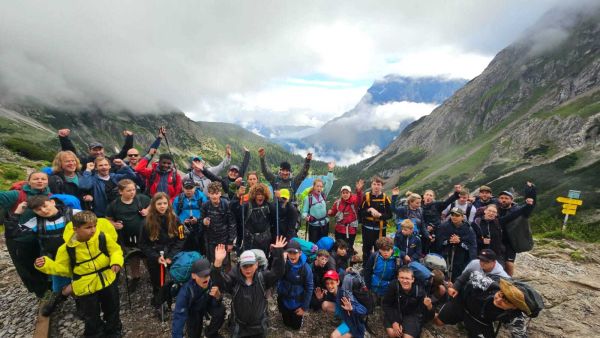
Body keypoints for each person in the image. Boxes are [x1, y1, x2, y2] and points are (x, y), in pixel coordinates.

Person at [35, 211, 124, 338]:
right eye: (88, 227)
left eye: (94, 226)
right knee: (91, 314)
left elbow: (115, 250)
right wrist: (46, 265)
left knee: (112, 309)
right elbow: (63, 269)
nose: (93, 230)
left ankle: (114, 331)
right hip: (84, 286)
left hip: (107, 280)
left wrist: (116, 261)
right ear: (75, 229)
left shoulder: (102, 237)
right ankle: (96, 333)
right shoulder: (66, 249)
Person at [211, 237, 287, 338]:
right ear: (240, 266)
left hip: (259, 326)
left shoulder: (263, 278)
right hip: (239, 326)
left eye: (251, 265)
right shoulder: (234, 280)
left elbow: (278, 272)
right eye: (245, 266)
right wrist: (217, 263)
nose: (248, 269)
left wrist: (278, 252)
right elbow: (220, 282)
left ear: (256, 265)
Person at [435, 272, 540, 338]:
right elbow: (468, 273)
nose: (498, 300)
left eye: (505, 301)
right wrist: (456, 287)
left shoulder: (514, 316)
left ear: (514, 307)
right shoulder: (488, 284)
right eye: (499, 294)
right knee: (438, 322)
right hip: (461, 304)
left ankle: (467, 325)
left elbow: (520, 335)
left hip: (480, 321)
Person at [25, 195, 80, 316]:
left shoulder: (74, 213)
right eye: (38, 210)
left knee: (80, 279)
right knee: (59, 287)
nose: (43, 211)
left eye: (45, 206)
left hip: (78, 255)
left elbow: (93, 225)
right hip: (55, 261)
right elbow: (13, 233)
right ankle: (61, 297)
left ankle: (79, 303)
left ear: (52, 202)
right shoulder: (35, 222)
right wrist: (19, 211)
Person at [1, 171, 52, 298]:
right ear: (28, 182)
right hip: (20, 239)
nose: (40, 181)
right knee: (28, 268)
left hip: (41, 239)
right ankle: (41, 294)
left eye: (43, 179)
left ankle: (50, 291)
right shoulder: (17, 194)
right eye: (36, 179)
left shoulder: (50, 195)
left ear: (47, 182)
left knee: (43, 265)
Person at [139, 192, 186, 310]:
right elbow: (143, 244)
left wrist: (171, 256)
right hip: (155, 255)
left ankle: (174, 298)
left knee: (176, 278)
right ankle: (159, 302)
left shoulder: (176, 219)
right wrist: (155, 257)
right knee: (157, 281)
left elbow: (181, 238)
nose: (162, 206)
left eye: (165, 203)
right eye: (159, 203)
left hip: (172, 253)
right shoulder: (146, 222)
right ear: (153, 205)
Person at [105, 179, 150, 289]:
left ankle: (151, 275)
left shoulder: (141, 199)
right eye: (129, 190)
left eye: (134, 189)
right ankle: (136, 277)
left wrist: (147, 210)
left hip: (143, 235)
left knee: (146, 256)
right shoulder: (114, 205)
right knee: (133, 257)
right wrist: (114, 224)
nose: (132, 192)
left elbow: (152, 203)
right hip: (126, 236)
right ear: (121, 192)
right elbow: (107, 219)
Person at [171, 258, 225, 338]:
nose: (206, 278)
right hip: (193, 311)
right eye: (202, 275)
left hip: (206, 303)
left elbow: (215, 303)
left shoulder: (211, 281)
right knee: (195, 333)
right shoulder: (185, 292)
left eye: (207, 275)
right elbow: (179, 318)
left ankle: (210, 334)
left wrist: (218, 297)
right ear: (193, 276)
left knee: (221, 310)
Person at [496, 183, 536, 276]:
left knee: (509, 264)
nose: (503, 200)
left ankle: (509, 282)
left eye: (506, 198)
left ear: (512, 200)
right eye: (502, 198)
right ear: (498, 199)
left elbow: (530, 207)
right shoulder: (494, 209)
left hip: (511, 241)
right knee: (496, 263)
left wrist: (532, 192)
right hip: (497, 240)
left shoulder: (517, 209)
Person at [383, 267, 434, 338]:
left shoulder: (419, 291)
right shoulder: (394, 285)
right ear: (398, 278)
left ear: (413, 279)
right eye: (401, 278)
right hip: (395, 311)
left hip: (411, 315)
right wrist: (394, 321)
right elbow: (386, 304)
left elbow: (429, 316)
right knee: (393, 334)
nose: (404, 281)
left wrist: (429, 306)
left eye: (407, 278)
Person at [277, 240, 314, 330]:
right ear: (286, 253)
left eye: (295, 253)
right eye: (290, 252)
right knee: (286, 323)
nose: (292, 256)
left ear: (300, 253)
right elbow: (275, 274)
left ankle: (299, 319)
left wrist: (304, 308)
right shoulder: (283, 263)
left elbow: (309, 288)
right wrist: (280, 259)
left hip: (297, 302)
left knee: (295, 327)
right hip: (284, 298)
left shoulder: (306, 268)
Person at [57, 128, 134, 169]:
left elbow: (125, 152)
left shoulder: (111, 160)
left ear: (103, 150)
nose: (98, 152)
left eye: (100, 149)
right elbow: (71, 153)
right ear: (89, 151)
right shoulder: (84, 161)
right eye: (95, 150)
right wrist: (63, 138)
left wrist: (130, 137)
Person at [436, 207, 477, 282]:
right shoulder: (443, 227)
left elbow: (472, 247)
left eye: (457, 215)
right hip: (445, 258)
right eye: (452, 215)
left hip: (461, 260)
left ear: (462, 217)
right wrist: (449, 241)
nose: (454, 217)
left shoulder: (468, 229)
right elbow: (438, 243)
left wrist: (460, 242)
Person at [359, 176, 392, 267]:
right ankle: (366, 267)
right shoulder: (366, 197)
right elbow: (361, 213)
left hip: (381, 229)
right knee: (366, 249)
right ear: (371, 185)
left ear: (382, 186)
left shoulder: (385, 198)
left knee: (380, 249)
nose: (376, 186)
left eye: (378, 184)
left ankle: (378, 267)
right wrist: (369, 210)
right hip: (367, 228)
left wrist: (380, 216)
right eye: (374, 184)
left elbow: (390, 215)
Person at [201, 182, 237, 263]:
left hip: (224, 239)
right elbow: (201, 221)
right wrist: (204, 222)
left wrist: (230, 242)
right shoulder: (205, 205)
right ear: (208, 194)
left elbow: (232, 224)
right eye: (212, 193)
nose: (214, 196)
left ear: (220, 193)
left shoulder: (226, 204)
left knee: (224, 263)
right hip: (210, 240)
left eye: (216, 193)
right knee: (212, 263)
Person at [420, 185, 461, 254]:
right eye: (427, 195)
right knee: (423, 250)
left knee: (437, 249)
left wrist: (456, 193)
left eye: (431, 195)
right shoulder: (419, 207)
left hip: (437, 231)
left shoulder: (437, 205)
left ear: (433, 198)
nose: (428, 197)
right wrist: (426, 227)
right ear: (423, 197)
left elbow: (446, 202)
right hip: (424, 231)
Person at [328, 180, 363, 257]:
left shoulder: (354, 202)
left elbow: (360, 199)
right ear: (341, 194)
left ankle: (347, 263)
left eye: (347, 193)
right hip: (339, 229)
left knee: (349, 247)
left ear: (350, 193)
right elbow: (333, 212)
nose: (345, 194)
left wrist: (359, 190)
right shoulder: (337, 203)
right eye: (343, 193)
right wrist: (330, 213)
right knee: (339, 247)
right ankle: (338, 261)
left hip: (350, 230)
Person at [302, 162, 335, 243]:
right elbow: (304, 212)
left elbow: (330, 183)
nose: (319, 188)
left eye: (321, 186)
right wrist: (306, 217)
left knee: (324, 244)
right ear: (314, 187)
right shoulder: (308, 198)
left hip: (325, 224)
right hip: (314, 226)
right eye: (317, 186)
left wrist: (330, 170)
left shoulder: (323, 195)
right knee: (314, 245)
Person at [239, 183, 276, 254]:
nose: (260, 196)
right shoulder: (246, 206)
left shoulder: (270, 207)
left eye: (262, 194)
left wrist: (273, 242)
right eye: (258, 194)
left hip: (265, 241)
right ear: (254, 195)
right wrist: (237, 196)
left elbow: (274, 224)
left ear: (265, 196)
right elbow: (233, 210)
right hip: (249, 240)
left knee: (263, 262)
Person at [173, 178, 208, 252]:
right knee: (181, 244)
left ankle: (200, 258)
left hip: (198, 226)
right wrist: (182, 221)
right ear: (183, 188)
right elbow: (173, 215)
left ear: (195, 187)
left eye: (191, 188)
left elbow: (206, 213)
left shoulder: (202, 198)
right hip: (181, 226)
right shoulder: (178, 199)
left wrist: (197, 219)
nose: (189, 190)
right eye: (186, 188)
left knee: (200, 245)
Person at [330, 272, 369, 338]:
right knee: (325, 304)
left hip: (352, 322)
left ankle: (356, 334)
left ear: (338, 282)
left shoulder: (345, 294)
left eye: (332, 283)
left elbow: (364, 310)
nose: (329, 286)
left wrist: (352, 308)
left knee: (333, 336)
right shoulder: (333, 292)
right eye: (327, 283)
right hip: (346, 317)